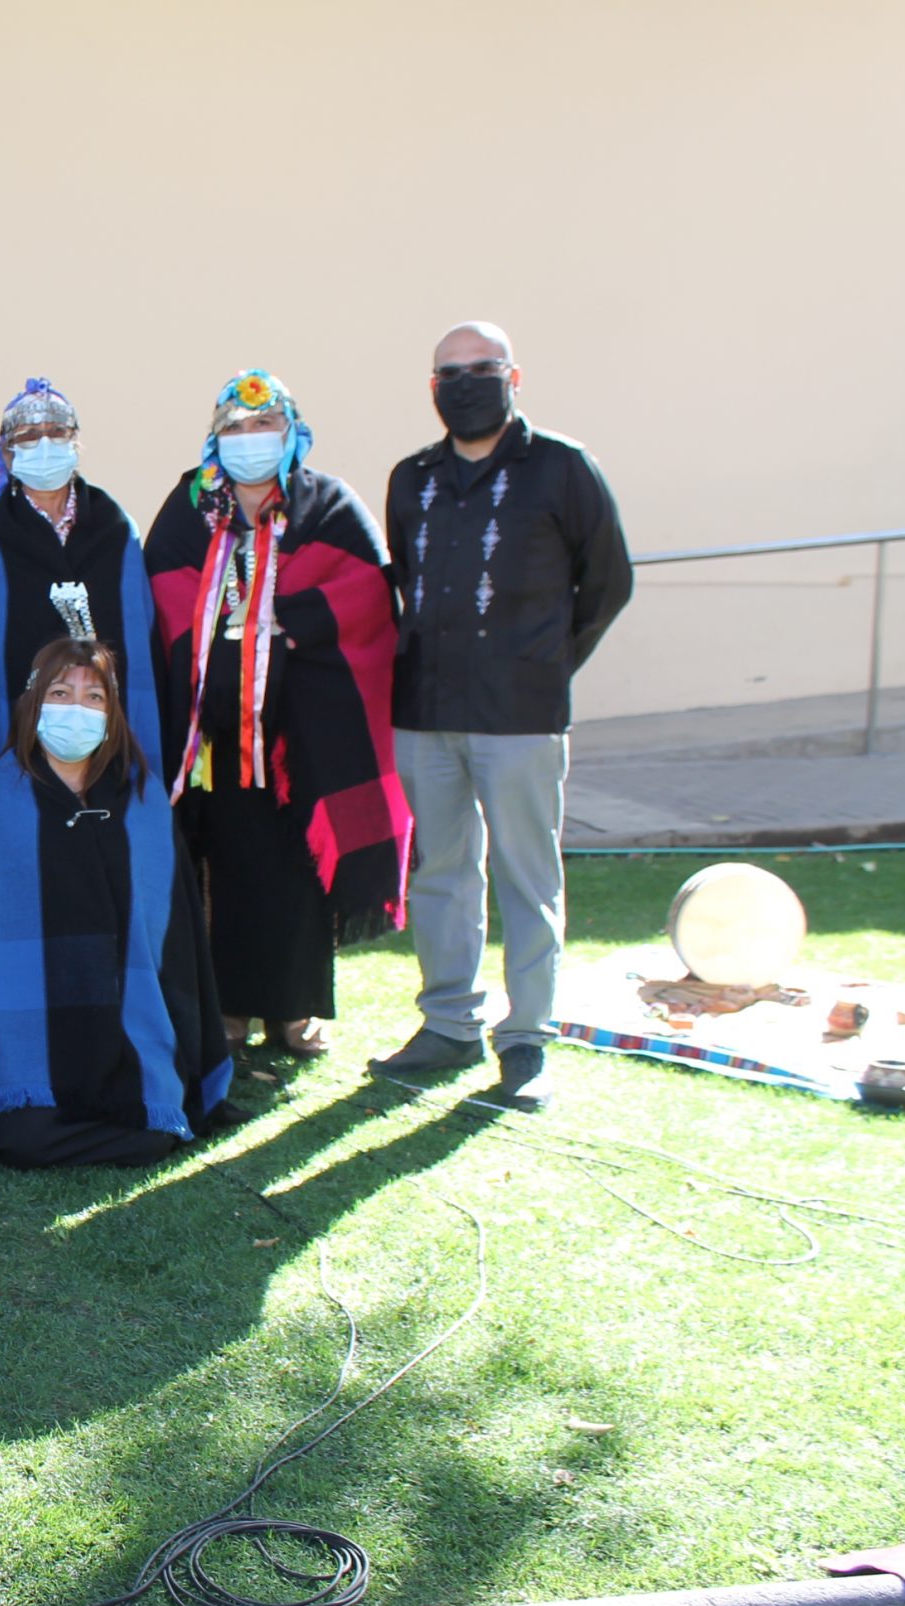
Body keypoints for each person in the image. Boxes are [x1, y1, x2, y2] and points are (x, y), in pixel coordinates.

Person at [367, 322, 634, 1112]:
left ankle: (528, 1037)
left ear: (514, 376)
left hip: (521, 715)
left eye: (482, 369)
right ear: (432, 388)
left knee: (527, 875)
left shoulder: (562, 468)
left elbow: (608, 580)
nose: (467, 382)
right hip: (426, 708)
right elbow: (406, 581)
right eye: (450, 372)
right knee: (443, 874)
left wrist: (547, 664)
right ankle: (448, 1024)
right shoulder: (410, 478)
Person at [0, 637, 234, 1168]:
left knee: (152, 1136)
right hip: (20, 1039)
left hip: (127, 1029)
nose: (75, 710)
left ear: (112, 713)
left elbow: (177, 944)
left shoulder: (146, 805)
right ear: (34, 704)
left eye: (94, 698)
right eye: (60, 692)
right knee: (21, 1139)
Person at [144, 371, 411, 1058]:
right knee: (224, 870)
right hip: (214, 741)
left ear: (291, 433)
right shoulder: (192, 505)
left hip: (302, 736)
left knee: (297, 874)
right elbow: (161, 594)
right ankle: (229, 1005)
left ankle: (293, 1011)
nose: (250, 440)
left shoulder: (327, 504)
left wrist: (278, 625)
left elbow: (369, 595)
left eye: (264, 427)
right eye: (235, 428)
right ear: (215, 439)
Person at [0, 379, 152, 797]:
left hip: (100, 716)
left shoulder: (116, 526)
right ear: (8, 452)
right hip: (14, 713)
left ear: (76, 443)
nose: (45, 443)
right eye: (30, 436)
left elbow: (137, 635)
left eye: (58, 433)